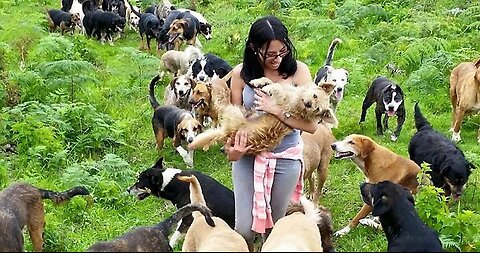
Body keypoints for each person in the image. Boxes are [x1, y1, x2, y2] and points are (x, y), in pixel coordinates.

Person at [224, 15, 318, 250]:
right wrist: (232, 152)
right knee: (243, 229)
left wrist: (277, 110)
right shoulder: (240, 75)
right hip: (248, 156)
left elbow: (311, 126)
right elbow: (232, 123)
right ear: (254, 49)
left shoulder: (298, 73)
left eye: (282, 52)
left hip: (285, 157)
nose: (277, 59)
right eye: (270, 54)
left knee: (276, 227)